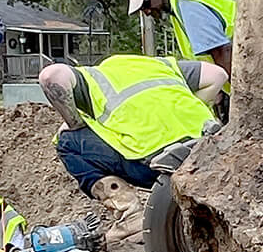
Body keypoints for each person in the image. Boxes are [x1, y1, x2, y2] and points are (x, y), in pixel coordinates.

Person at [38, 55, 226, 194]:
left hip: (153, 164)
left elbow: (50, 76)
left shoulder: (94, 77)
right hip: (206, 153)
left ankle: (129, 213)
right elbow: (218, 75)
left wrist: (75, 123)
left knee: (66, 143)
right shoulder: (162, 65)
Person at [126, 0, 237, 76]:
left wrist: (242, 91)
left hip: (250, 45)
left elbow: (222, 52)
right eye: (142, 9)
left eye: (146, 3)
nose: (147, 12)